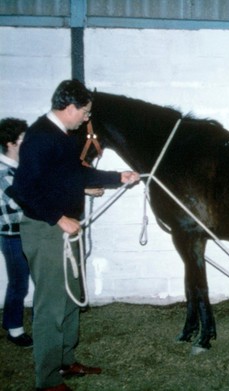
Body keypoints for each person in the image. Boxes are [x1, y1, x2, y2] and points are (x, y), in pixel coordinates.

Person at [13, 79, 141, 391]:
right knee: (51, 306)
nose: (86, 118)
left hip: (65, 227)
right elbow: (23, 190)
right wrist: (58, 218)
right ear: (69, 108)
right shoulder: (40, 137)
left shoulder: (64, 136)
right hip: (47, 231)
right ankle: (47, 380)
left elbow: (73, 174)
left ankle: (65, 361)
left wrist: (116, 177)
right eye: (84, 112)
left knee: (70, 300)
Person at [0, 118, 33, 348]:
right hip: (12, 236)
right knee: (19, 283)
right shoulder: (3, 172)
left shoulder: (19, 168)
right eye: (23, 140)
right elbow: (18, 201)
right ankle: (14, 329)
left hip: (24, 233)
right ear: (10, 143)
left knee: (24, 280)